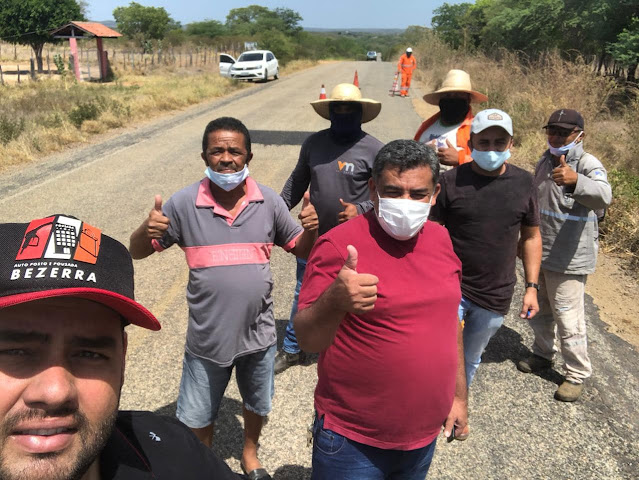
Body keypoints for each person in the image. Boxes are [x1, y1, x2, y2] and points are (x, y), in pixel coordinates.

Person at [129, 117, 316, 480]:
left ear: (249, 156)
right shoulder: (183, 203)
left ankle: (250, 454)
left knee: (256, 403)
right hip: (207, 338)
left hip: (259, 335)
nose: (226, 158)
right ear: (204, 156)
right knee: (198, 415)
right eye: (217, 150)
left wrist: (313, 230)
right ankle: (205, 466)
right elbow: (138, 251)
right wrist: (144, 229)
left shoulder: (269, 201)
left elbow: (301, 249)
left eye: (234, 151)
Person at [0, 214, 240, 480]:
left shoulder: (174, 451)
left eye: (89, 354)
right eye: (15, 352)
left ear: (122, 360)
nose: (55, 392)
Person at [294, 140, 468, 479]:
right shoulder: (337, 246)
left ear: (434, 194)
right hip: (352, 441)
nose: (405, 203)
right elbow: (307, 340)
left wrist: (458, 396)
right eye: (393, 191)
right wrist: (334, 300)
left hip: (422, 437)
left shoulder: (441, 240)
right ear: (373, 190)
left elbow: (452, 324)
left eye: (418, 194)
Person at [429, 109, 542, 387]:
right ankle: (433, 403)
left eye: (499, 142)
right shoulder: (450, 181)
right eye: (484, 142)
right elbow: (431, 233)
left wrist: (531, 288)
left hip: (495, 293)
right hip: (452, 286)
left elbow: (531, 237)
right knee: (441, 354)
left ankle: (457, 405)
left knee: (470, 357)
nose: (492, 149)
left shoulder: (525, 182)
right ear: (471, 144)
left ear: (511, 143)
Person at [275, 83, 383, 374]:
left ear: (361, 113)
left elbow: (385, 194)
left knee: (354, 296)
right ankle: (293, 348)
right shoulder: (313, 144)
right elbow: (297, 181)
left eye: (350, 109)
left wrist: (361, 209)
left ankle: (347, 349)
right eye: (338, 108)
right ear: (330, 112)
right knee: (304, 292)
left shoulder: (375, 150)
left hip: (356, 243)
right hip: (316, 239)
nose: (343, 113)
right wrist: (274, 211)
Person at [517, 109, 612, 402]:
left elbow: (604, 196)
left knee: (568, 316)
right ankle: (542, 354)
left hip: (570, 256)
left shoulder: (588, 164)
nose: (556, 137)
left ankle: (576, 373)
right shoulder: (544, 161)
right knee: (541, 310)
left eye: (564, 132)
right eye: (552, 131)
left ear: (579, 135)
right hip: (541, 252)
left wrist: (575, 181)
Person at [414, 69, 488, 171]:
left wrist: (460, 159)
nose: (452, 100)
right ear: (440, 99)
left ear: (468, 99)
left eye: (458, 95)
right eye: (447, 95)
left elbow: (492, 165)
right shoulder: (426, 126)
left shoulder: (479, 129)